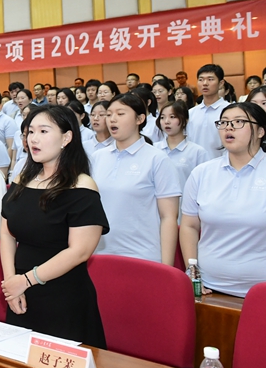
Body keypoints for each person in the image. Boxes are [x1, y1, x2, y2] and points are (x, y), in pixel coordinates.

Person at [0, 105, 108, 348]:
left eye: (43, 131)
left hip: (63, 295)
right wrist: (11, 283)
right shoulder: (22, 180)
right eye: (30, 132)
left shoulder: (82, 187)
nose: (33, 139)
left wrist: (26, 280)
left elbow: (79, 251)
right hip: (19, 292)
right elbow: (6, 232)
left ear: (66, 138)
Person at [180, 102, 266, 298]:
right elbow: (189, 226)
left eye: (238, 122)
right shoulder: (202, 173)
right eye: (224, 122)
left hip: (261, 290)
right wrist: (193, 272)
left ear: (261, 131)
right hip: (209, 288)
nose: (229, 127)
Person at [91, 94, 181, 264]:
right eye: (109, 114)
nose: (112, 119)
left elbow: (168, 217)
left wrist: (167, 267)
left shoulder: (157, 159)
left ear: (140, 119)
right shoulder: (97, 157)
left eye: (120, 113)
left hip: (142, 256)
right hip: (101, 254)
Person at [155, 101, 209, 188]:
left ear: (185, 121)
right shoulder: (153, 149)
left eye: (172, 117)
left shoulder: (197, 152)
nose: (166, 121)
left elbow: (205, 183)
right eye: (162, 117)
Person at [187, 64, 229, 159]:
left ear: (221, 83)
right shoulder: (191, 113)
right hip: (195, 164)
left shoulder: (229, 110)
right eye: (201, 79)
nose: (205, 83)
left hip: (222, 163)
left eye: (210, 79)